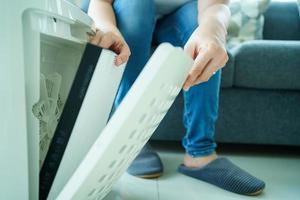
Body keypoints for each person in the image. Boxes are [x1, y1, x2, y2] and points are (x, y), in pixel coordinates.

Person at [86, 0, 265, 196]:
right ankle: (129, 141)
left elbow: (215, 5)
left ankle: (200, 152)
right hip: (127, 14)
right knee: (137, 4)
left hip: (173, 20)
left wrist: (213, 32)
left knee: (198, 25)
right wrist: (105, 27)